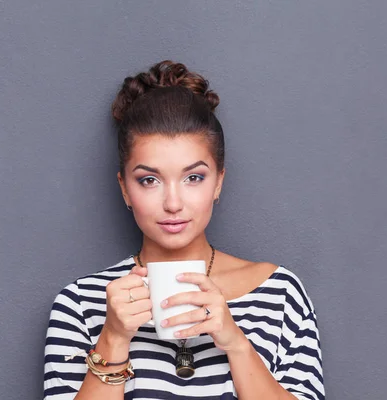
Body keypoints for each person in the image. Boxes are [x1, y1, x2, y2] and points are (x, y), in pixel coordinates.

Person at [43, 60, 324, 400]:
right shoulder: (80, 305)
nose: (173, 203)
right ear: (125, 189)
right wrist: (114, 338)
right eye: (149, 180)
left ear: (218, 181)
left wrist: (236, 344)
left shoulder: (280, 296)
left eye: (194, 177)